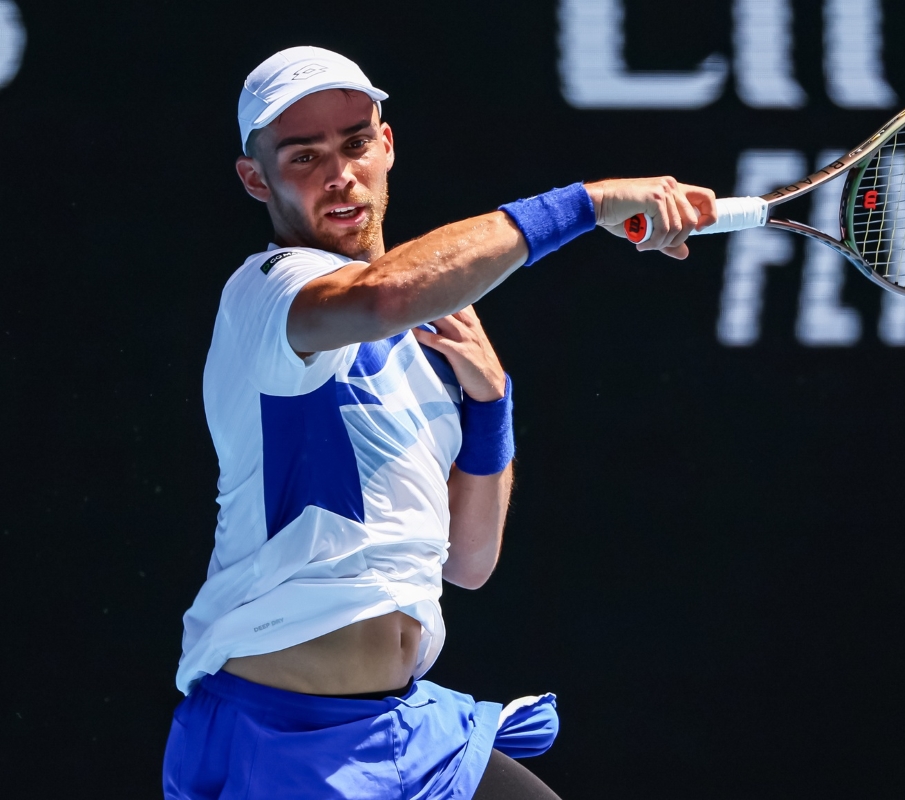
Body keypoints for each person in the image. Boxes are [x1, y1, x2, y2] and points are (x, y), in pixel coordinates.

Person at [162, 46, 717, 800]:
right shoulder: (267, 295)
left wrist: (491, 408)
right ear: (256, 179)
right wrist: (589, 203)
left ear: (386, 146)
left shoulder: (436, 343)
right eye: (304, 156)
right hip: (282, 741)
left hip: (411, 731)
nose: (339, 175)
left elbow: (470, 562)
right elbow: (387, 293)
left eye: (356, 143)